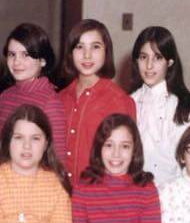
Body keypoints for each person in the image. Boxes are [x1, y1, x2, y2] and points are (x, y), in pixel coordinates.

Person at [58, 19, 135, 182]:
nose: (87, 55)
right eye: (80, 47)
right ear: (70, 52)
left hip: (98, 193)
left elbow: (125, 161)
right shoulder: (60, 99)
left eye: (95, 47)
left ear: (106, 51)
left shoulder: (119, 101)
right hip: (59, 192)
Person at [127, 26, 190, 188]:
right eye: (143, 57)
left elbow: (188, 159)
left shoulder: (181, 106)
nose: (149, 65)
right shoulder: (129, 101)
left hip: (171, 192)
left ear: (170, 62)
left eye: (157, 58)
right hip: (134, 191)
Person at [0, 23, 66, 160]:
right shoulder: (5, 96)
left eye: (25, 55)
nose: (16, 62)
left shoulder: (50, 102)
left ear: (43, 61)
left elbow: (58, 159)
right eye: (12, 54)